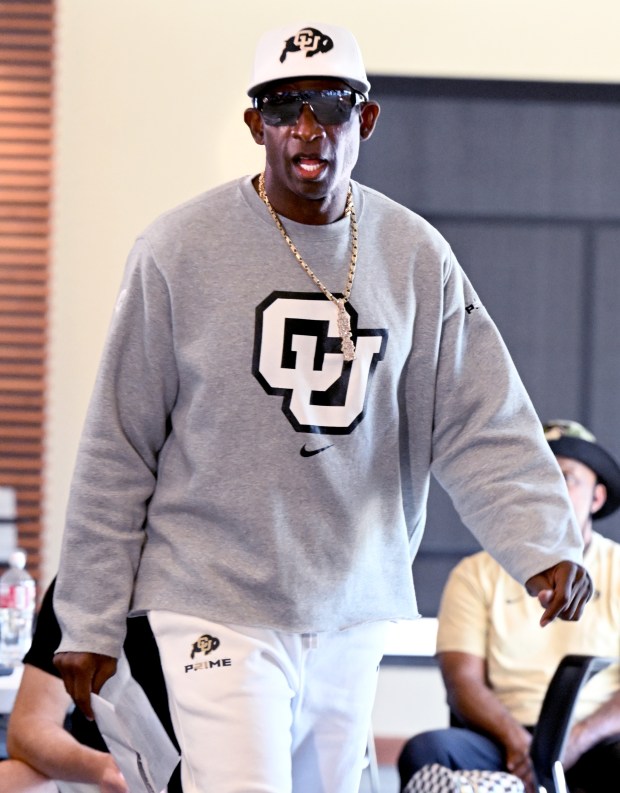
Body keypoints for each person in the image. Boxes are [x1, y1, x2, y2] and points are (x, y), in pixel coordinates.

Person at [52, 21, 592, 793]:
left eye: (331, 107)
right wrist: (89, 616)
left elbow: (481, 414)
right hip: (215, 591)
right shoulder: (176, 250)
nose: (308, 130)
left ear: (364, 120)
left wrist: (544, 540)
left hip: (353, 595)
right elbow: (118, 443)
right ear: (255, 125)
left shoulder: (415, 253)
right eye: (284, 107)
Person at [398, 419, 620, 793]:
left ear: (596, 498)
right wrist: (520, 745)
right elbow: (462, 680)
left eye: (565, 477)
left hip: (593, 739)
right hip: (504, 739)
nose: (550, 489)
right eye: (541, 476)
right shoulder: (475, 574)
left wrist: (576, 739)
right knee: (427, 751)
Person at [0, 577, 181, 793]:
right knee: (10, 779)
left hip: (210, 774)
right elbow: (30, 725)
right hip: (106, 779)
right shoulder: (82, 583)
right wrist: (103, 768)